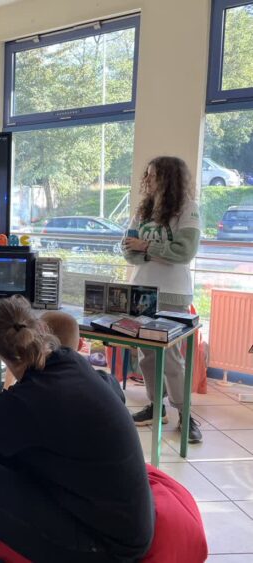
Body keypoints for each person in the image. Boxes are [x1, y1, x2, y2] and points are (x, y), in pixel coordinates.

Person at [0, 295, 153, 562]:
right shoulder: (67, 361)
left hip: (104, 547)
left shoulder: (30, 400)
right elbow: (0, 408)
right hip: (119, 522)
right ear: (39, 328)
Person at [123, 156, 203, 443]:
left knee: (170, 357)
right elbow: (127, 249)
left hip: (173, 293)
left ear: (168, 178)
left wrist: (145, 245)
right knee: (146, 355)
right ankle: (157, 406)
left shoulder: (187, 209)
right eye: (147, 174)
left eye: (153, 175)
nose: (147, 180)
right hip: (141, 292)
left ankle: (185, 414)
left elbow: (184, 252)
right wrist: (153, 250)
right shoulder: (143, 209)